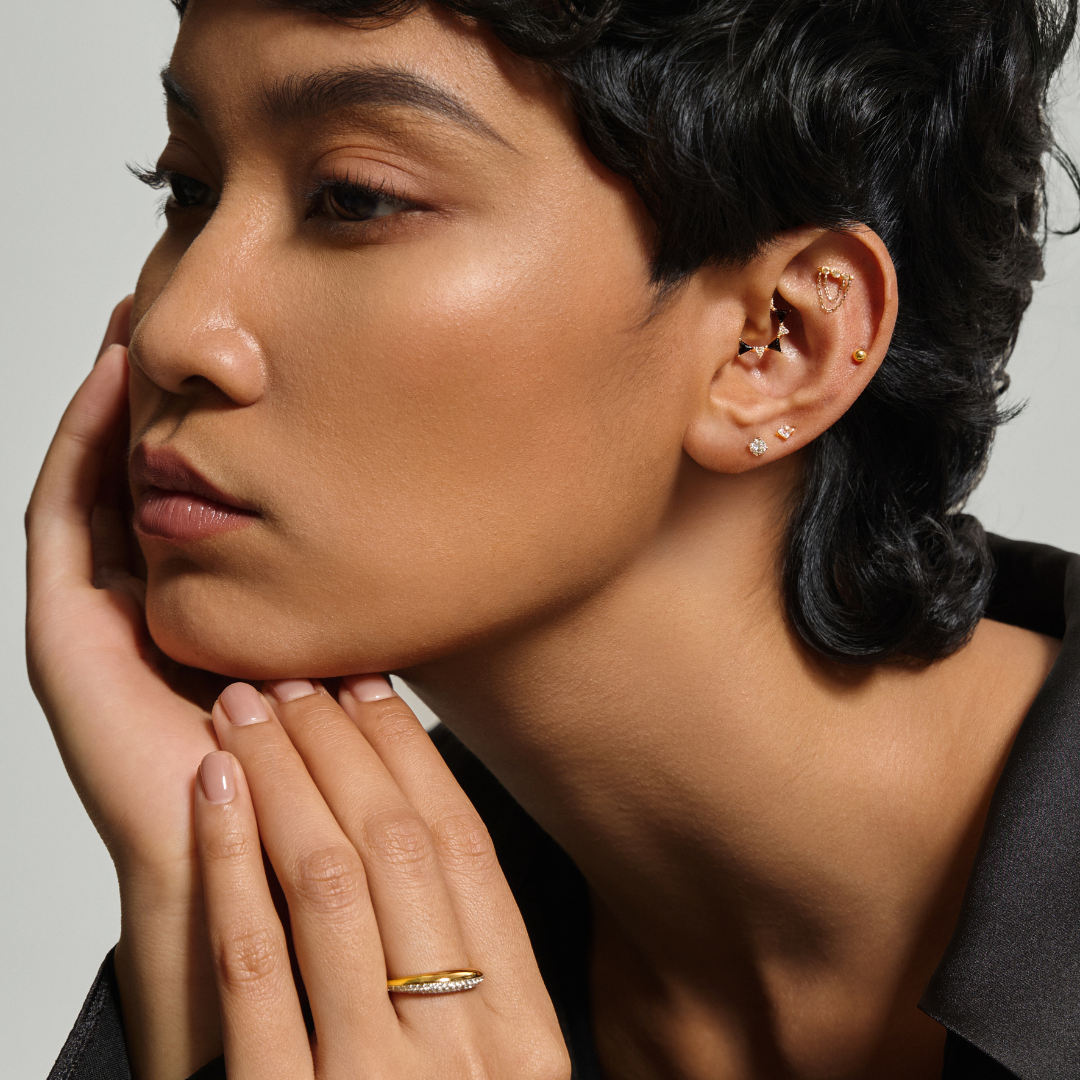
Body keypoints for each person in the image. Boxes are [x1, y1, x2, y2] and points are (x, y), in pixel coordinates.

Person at [28, 0, 1080, 1077]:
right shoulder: (369, 920)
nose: (173, 328)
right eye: (189, 189)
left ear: (775, 343)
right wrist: (206, 892)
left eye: (354, 197)